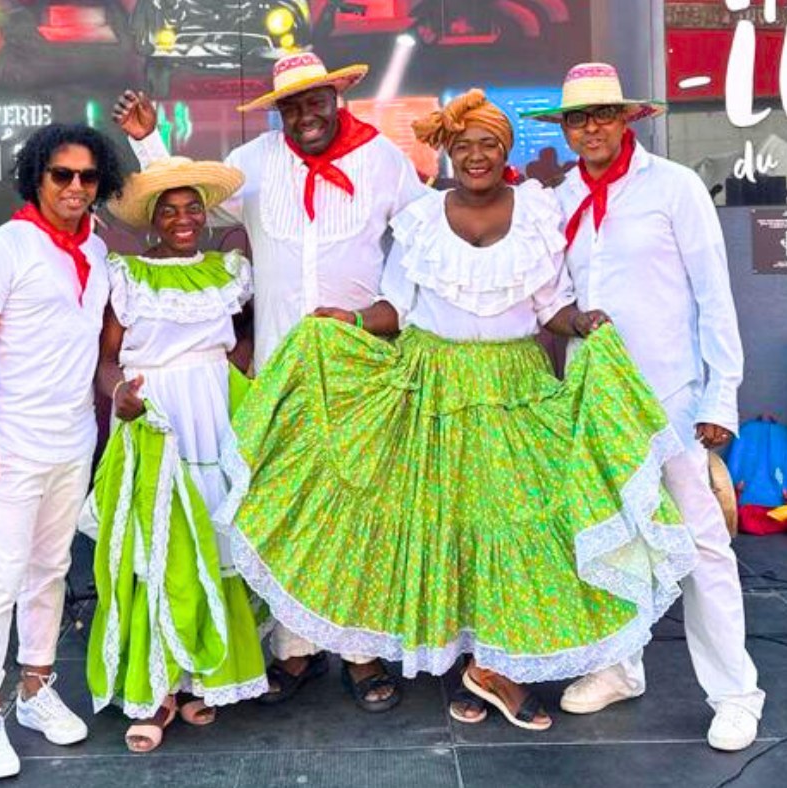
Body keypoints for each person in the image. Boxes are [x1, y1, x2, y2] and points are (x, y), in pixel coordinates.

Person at [213, 89, 698, 731]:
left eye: (489, 145)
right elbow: (399, 309)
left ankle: (495, 664)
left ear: (506, 152)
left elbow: (550, 304)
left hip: (513, 388)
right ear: (445, 153)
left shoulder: (536, 211)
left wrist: (581, 320)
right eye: (463, 146)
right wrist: (351, 319)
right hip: (432, 386)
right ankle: (467, 663)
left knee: (516, 526)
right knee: (447, 528)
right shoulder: (421, 219)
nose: (476, 157)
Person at [113, 51, 428, 711]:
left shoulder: (382, 160)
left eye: (315, 102)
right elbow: (190, 207)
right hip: (276, 378)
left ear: (338, 98)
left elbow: (422, 240)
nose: (305, 116)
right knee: (282, 509)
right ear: (279, 112)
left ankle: (360, 650)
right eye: (291, 106)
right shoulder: (256, 162)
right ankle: (294, 648)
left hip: (357, 369)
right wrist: (148, 141)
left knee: (356, 510)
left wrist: (386, 313)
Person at [522, 61, 766, 752]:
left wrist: (721, 395)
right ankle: (619, 667)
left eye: (603, 114)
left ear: (628, 119)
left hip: (671, 399)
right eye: (578, 117)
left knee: (700, 546)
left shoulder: (674, 188)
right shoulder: (559, 197)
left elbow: (715, 297)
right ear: (565, 129)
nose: (591, 127)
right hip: (595, 405)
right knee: (607, 534)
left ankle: (735, 692)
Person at [81, 156, 268, 752]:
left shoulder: (227, 270)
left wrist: (232, 369)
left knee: (211, 543)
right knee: (158, 548)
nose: (183, 219)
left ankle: (202, 680)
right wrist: (120, 396)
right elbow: (106, 359)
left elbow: (245, 331)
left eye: (192, 209)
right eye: (170, 211)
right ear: (152, 221)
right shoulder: (127, 276)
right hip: (154, 410)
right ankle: (158, 687)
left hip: (215, 412)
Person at [0, 124, 123, 779]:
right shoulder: (2, 248)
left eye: (87, 177)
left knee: (50, 570)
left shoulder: (100, 252)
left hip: (73, 436)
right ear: (37, 178)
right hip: (8, 442)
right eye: (62, 175)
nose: (76, 187)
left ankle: (35, 689)